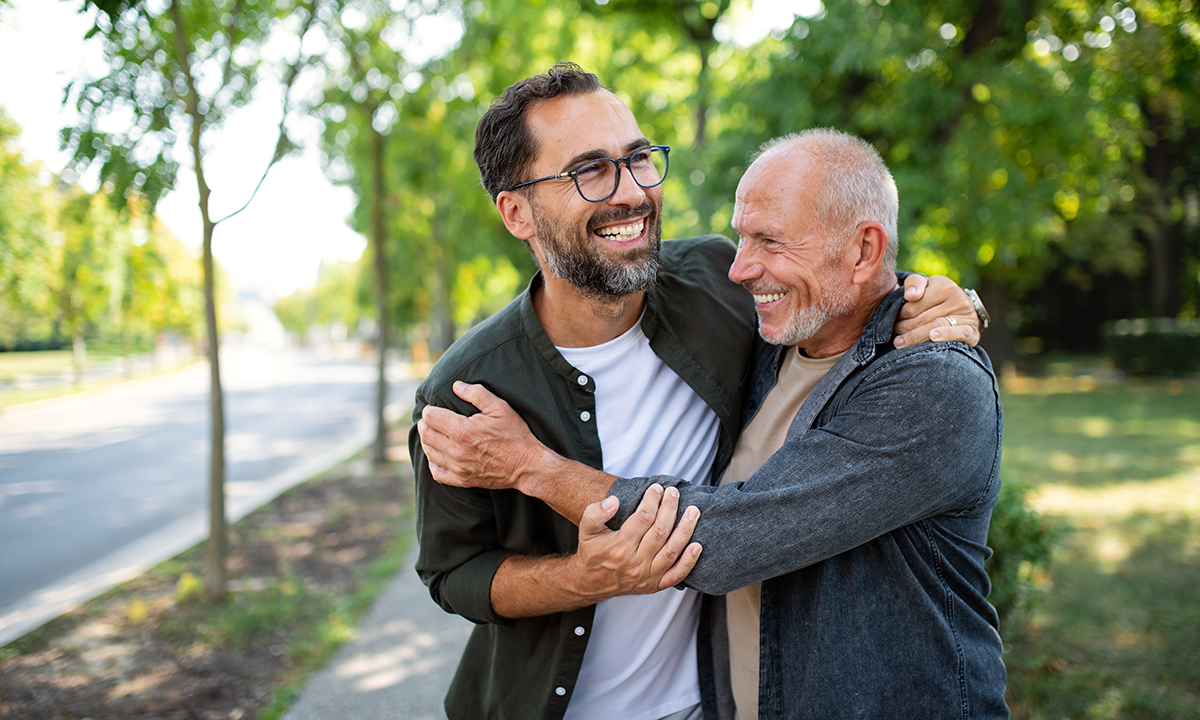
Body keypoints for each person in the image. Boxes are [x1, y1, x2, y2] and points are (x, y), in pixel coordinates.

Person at [411, 62, 983, 720]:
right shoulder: (468, 392)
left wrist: (944, 299)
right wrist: (581, 578)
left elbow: (835, 277)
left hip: (703, 704)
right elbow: (454, 575)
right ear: (517, 212)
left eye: (637, 159)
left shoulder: (718, 282)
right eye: (589, 170)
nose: (630, 192)